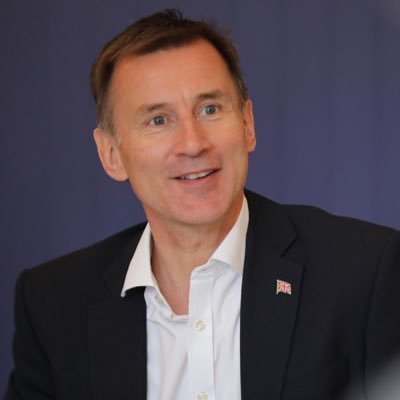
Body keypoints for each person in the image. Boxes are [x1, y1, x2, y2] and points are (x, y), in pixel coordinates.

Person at [5, 9, 400, 400]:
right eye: (158, 120)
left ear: (247, 124)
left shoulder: (365, 271)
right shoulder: (53, 305)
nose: (193, 144)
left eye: (210, 109)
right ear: (111, 154)